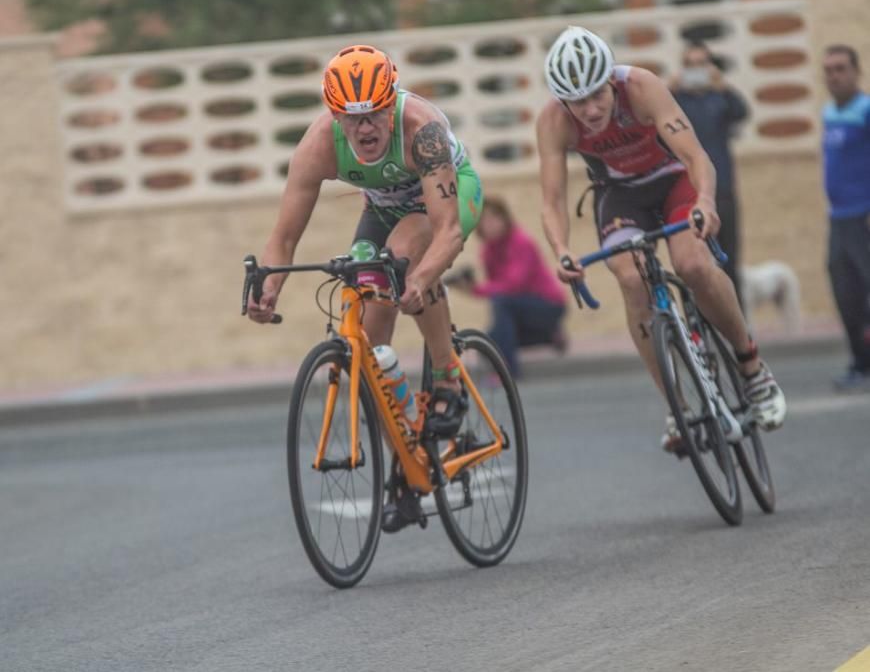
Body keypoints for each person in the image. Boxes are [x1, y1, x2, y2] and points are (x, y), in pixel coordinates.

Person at [247, 44, 484, 528]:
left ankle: (446, 376)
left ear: (391, 102)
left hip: (447, 199)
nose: (366, 127)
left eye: (375, 112)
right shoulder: (319, 143)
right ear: (335, 114)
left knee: (404, 258)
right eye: (353, 118)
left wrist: (420, 278)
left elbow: (447, 233)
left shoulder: (423, 131)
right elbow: (284, 235)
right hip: (381, 209)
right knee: (369, 344)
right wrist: (268, 285)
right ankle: (404, 465)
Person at [536, 26, 786, 454]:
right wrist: (561, 250)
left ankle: (752, 367)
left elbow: (695, 156)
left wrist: (705, 201)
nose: (591, 109)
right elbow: (553, 199)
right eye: (577, 101)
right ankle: (677, 404)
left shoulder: (641, 87)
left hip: (674, 182)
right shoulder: (554, 122)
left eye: (597, 94)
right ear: (562, 100)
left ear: (610, 80)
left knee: (692, 265)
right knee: (631, 280)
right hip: (621, 196)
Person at [448, 196, 567, 376]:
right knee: (490, 341)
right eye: (484, 220)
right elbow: (498, 288)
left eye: (494, 218)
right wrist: (468, 287)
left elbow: (514, 284)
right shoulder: (488, 250)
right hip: (519, 307)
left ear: (505, 218)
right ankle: (549, 337)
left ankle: (509, 372)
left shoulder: (521, 241)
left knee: (502, 306)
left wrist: (475, 289)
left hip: (548, 304)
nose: (490, 224)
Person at [671, 40, 749, 304]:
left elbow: (742, 112)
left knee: (729, 258)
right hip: (687, 194)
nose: (695, 70)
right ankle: (700, 330)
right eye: (689, 65)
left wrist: (723, 85)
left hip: (723, 189)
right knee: (693, 264)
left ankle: (739, 326)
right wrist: (669, 88)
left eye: (701, 64)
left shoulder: (721, 98)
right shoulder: (675, 102)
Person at [821, 44, 870, 391]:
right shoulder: (829, 113)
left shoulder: (865, 110)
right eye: (828, 69)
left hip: (864, 216)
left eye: (841, 68)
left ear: (856, 71)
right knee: (846, 294)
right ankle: (859, 364)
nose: (834, 75)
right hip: (838, 218)